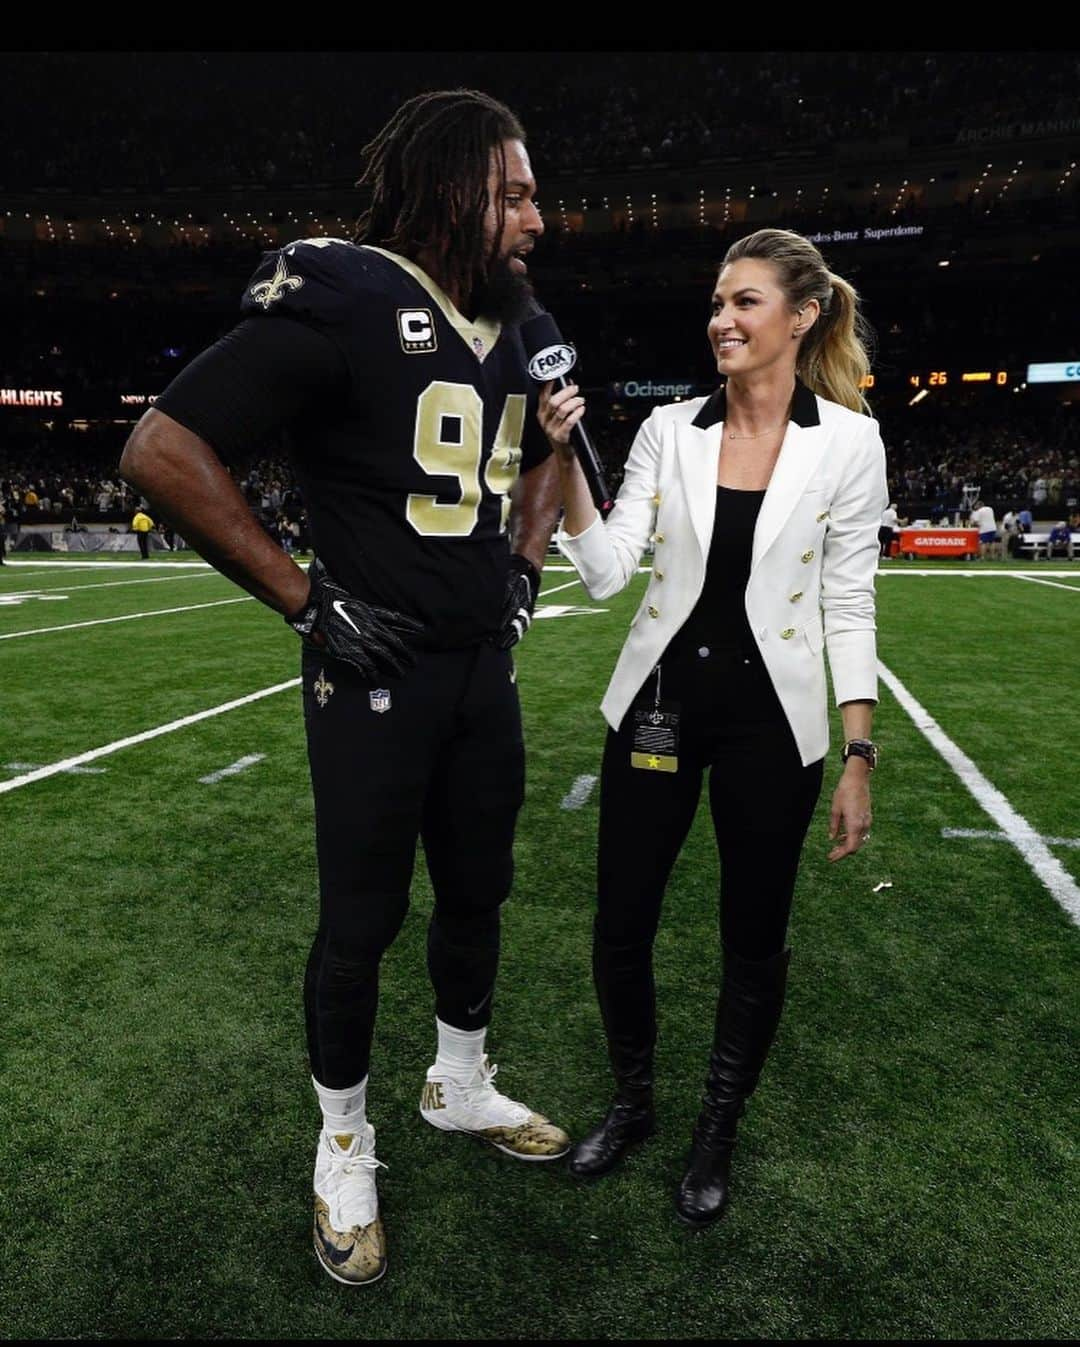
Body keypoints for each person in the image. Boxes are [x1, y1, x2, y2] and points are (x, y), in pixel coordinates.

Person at [119, 89, 567, 1287]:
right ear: (456, 190)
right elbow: (163, 449)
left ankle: (458, 1086)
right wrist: (307, 601)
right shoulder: (349, 292)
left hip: (482, 671)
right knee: (361, 923)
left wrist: (522, 573)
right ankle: (343, 1143)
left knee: (479, 892)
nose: (538, 216)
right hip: (374, 673)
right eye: (516, 193)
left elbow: (542, 458)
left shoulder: (519, 325)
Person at [540, 227, 886, 1227]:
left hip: (773, 728)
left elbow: (850, 604)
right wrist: (566, 465)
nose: (721, 320)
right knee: (620, 923)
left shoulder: (850, 443)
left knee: (752, 939)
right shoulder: (669, 432)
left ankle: (716, 1129)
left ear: (802, 316)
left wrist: (858, 752)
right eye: (717, 302)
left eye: (745, 302)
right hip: (656, 707)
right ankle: (636, 1104)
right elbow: (607, 572)